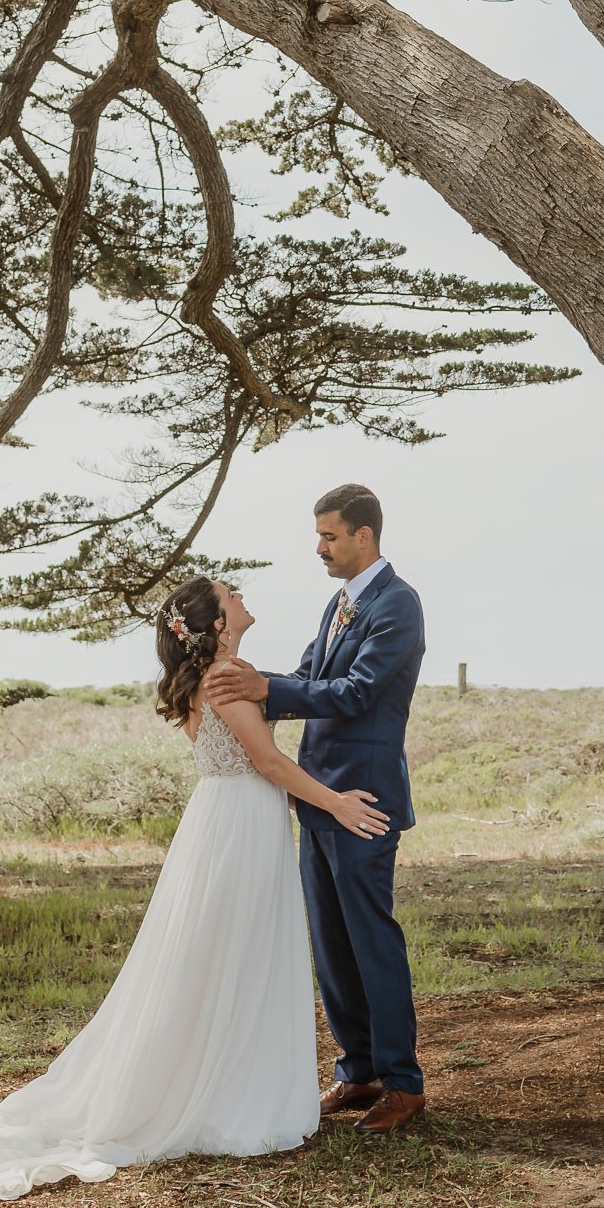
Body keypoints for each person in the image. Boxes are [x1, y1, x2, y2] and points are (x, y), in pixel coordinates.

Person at [0, 574, 388, 1200]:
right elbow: (268, 762)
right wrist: (337, 804)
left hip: (221, 818)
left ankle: (224, 1076)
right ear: (215, 622)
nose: (243, 596)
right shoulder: (224, 678)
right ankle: (228, 1094)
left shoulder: (219, 673)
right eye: (231, 593)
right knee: (238, 951)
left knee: (217, 953)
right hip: (239, 822)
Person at [206, 482, 427, 1133]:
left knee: (370, 940)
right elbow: (306, 683)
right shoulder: (339, 604)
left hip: (364, 801)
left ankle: (403, 1083)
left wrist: (263, 686)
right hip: (318, 796)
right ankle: (356, 1071)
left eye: (329, 535)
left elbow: (356, 693)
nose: (320, 547)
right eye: (319, 535)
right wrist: (248, 686)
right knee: (331, 945)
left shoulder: (398, 604)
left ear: (364, 535)